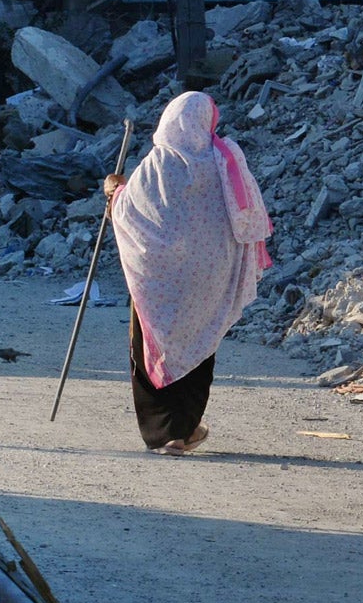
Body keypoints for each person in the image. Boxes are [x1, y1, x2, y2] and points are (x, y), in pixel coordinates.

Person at [103, 91, 272, 454]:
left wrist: (114, 191)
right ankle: (186, 429)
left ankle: (164, 433)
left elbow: (129, 214)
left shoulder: (156, 166)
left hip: (160, 282)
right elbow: (247, 217)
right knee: (199, 344)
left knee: (154, 344)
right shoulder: (225, 159)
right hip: (210, 278)